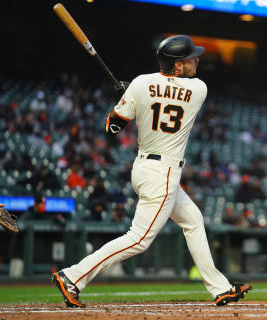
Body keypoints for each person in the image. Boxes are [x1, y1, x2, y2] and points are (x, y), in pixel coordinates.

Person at [52, 35, 251, 308]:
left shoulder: (140, 83)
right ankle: (73, 276)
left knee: (192, 220)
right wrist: (133, 94)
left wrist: (126, 96)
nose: (197, 59)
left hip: (144, 169)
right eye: (191, 57)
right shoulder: (199, 89)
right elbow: (167, 92)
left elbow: (112, 127)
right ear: (177, 66)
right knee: (139, 239)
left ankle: (221, 288)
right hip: (163, 173)